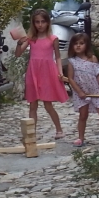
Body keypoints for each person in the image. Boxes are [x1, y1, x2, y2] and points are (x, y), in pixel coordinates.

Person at [14, 8, 67, 137]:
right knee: (33, 105)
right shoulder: (31, 38)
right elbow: (18, 54)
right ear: (33, 23)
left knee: (48, 104)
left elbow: (58, 57)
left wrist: (60, 73)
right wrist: (18, 44)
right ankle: (32, 133)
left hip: (47, 72)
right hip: (33, 72)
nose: (40, 25)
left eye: (43, 21)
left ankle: (59, 129)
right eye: (37, 22)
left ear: (48, 23)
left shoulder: (53, 39)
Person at [64, 33, 99, 146]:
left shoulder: (92, 59)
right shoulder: (72, 62)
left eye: (81, 43)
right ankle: (81, 138)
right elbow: (71, 79)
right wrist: (80, 92)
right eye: (75, 43)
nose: (78, 46)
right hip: (81, 92)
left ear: (87, 45)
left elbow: (98, 75)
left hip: (95, 91)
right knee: (83, 115)